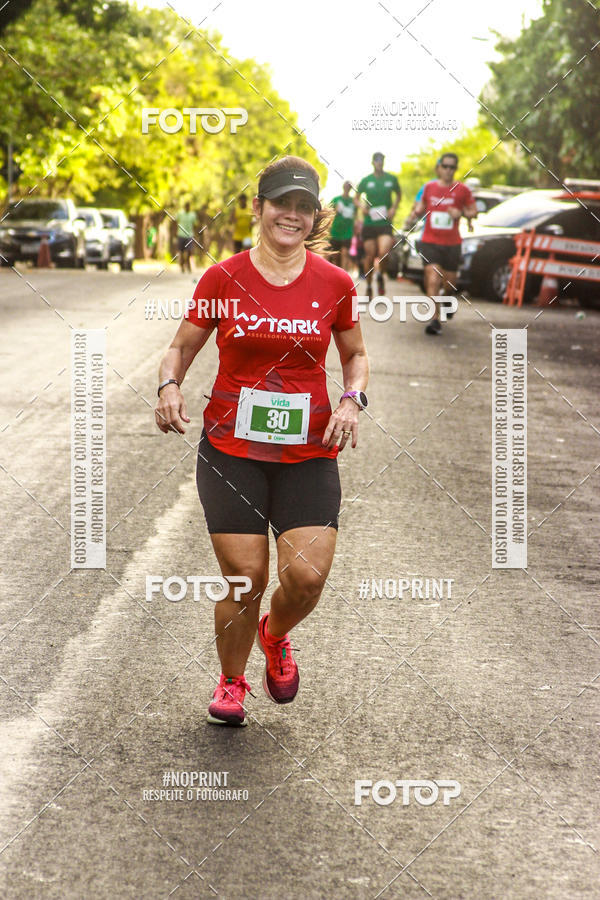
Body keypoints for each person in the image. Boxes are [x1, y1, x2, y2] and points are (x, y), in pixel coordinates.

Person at [155, 156, 369, 727]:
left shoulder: (334, 283)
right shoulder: (222, 279)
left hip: (308, 452)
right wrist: (169, 386)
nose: (291, 216)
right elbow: (180, 347)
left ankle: (275, 636)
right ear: (258, 208)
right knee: (245, 577)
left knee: (305, 577)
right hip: (232, 450)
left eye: (304, 207)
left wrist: (352, 399)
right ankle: (231, 681)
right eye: (281, 204)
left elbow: (355, 355)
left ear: (315, 217)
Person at [413, 153, 478, 335]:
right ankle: (434, 320)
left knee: (449, 283)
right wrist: (416, 212)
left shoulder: (462, 190)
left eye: (452, 167)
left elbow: (474, 211)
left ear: (455, 169)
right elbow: (419, 207)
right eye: (445, 166)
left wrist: (462, 212)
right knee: (433, 277)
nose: (448, 170)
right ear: (439, 168)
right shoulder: (428, 188)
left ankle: (448, 297)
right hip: (429, 241)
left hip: (451, 244)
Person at [355, 152, 401, 298]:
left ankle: (381, 275)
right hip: (369, 223)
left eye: (381, 160)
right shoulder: (366, 180)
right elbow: (356, 197)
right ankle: (369, 285)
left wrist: (393, 208)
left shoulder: (391, 179)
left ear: (384, 162)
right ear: (373, 162)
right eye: (376, 160)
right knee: (370, 256)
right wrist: (362, 207)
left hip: (385, 223)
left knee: (383, 252)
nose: (379, 163)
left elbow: (399, 194)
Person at [329, 181, 356, 271]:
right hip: (335, 231)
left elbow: (355, 216)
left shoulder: (353, 202)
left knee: (345, 253)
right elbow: (328, 213)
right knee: (335, 255)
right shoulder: (336, 199)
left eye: (349, 187)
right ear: (343, 187)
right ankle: (336, 272)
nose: (347, 189)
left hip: (347, 232)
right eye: (346, 187)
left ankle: (343, 274)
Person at [176, 201, 197, 273]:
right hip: (181, 234)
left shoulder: (192, 215)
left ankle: (188, 265)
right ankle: (182, 265)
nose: (187, 208)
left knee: (189, 251)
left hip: (189, 235)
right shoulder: (180, 213)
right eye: (186, 206)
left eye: (189, 206)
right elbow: (175, 221)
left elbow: (195, 224)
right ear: (185, 207)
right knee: (181, 251)